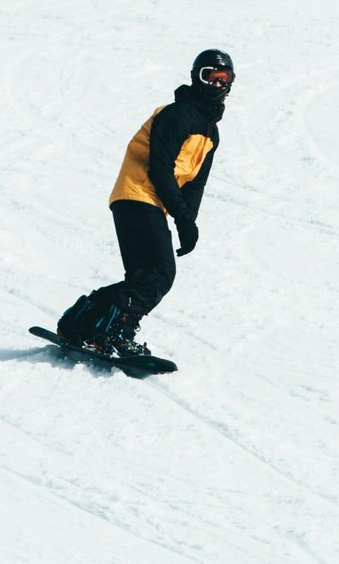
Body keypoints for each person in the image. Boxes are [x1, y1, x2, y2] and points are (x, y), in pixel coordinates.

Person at [56, 49, 234, 357]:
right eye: (210, 76)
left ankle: (81, 323)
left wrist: (188, 222)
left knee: (144, 278)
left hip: (148, 202)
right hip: (137, 195)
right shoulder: (176, 114)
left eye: (224, 79)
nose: (217, 85)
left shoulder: (211, 131)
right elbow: (159, 169)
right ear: (196, 77)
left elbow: (195, 182)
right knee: (159, 274)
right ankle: (116, 332)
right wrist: (180, 218)